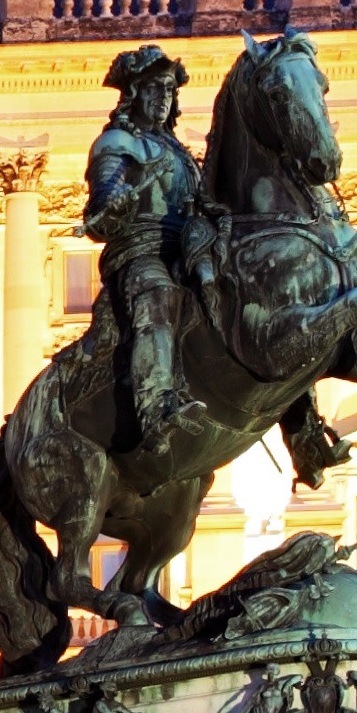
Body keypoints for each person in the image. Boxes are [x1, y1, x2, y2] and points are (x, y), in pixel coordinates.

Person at [80, 43, 205, 448]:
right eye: (153, 88)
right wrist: (118, 202)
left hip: (188, 250)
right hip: (140, 251)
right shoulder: (117, 143)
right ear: (133, 94)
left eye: (169, 89)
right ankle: (156, 410)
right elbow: (100, 211)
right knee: (158, 295)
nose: (163, 97)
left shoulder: (180, 153)